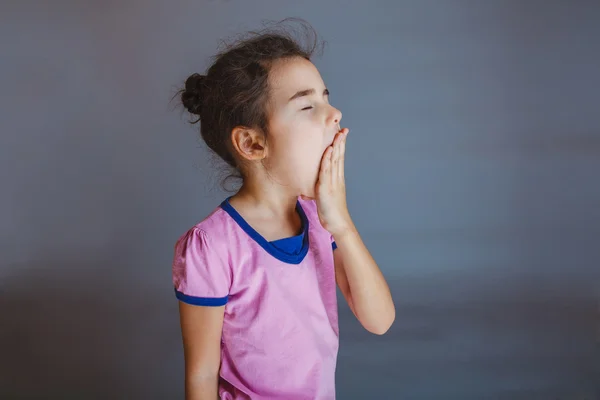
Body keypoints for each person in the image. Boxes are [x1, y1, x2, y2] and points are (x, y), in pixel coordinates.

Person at [172, 19, 395, 400]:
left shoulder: (322, 222)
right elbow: (201, 376)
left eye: (327, 97)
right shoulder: (211, 247)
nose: (334, 113)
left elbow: (379, 321)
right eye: (308, 105)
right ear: (252, 143)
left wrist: (341, 223)